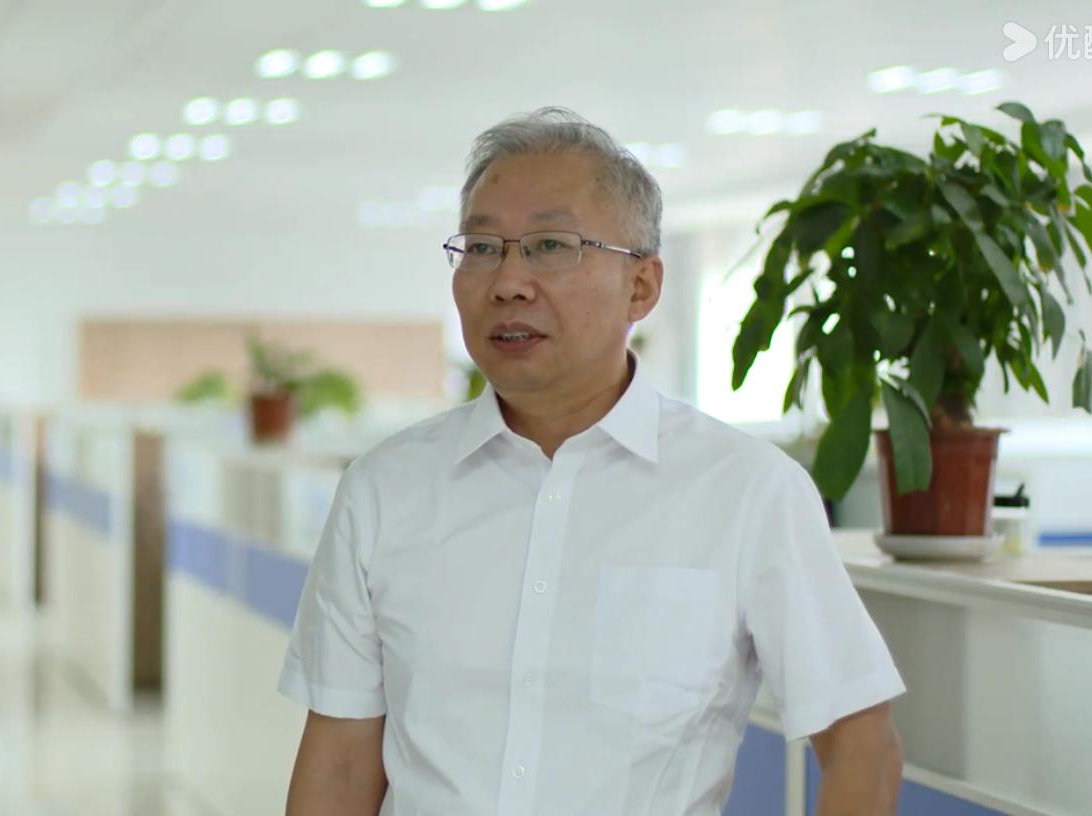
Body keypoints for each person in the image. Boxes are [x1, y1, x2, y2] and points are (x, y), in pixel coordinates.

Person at [279, 107, 905, 816]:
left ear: (642, 286)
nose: (508, 282)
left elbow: (862, 745)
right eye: (482, 247)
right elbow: (339, 764)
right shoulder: (383, 489)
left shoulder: (747, 491)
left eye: (551, 245)